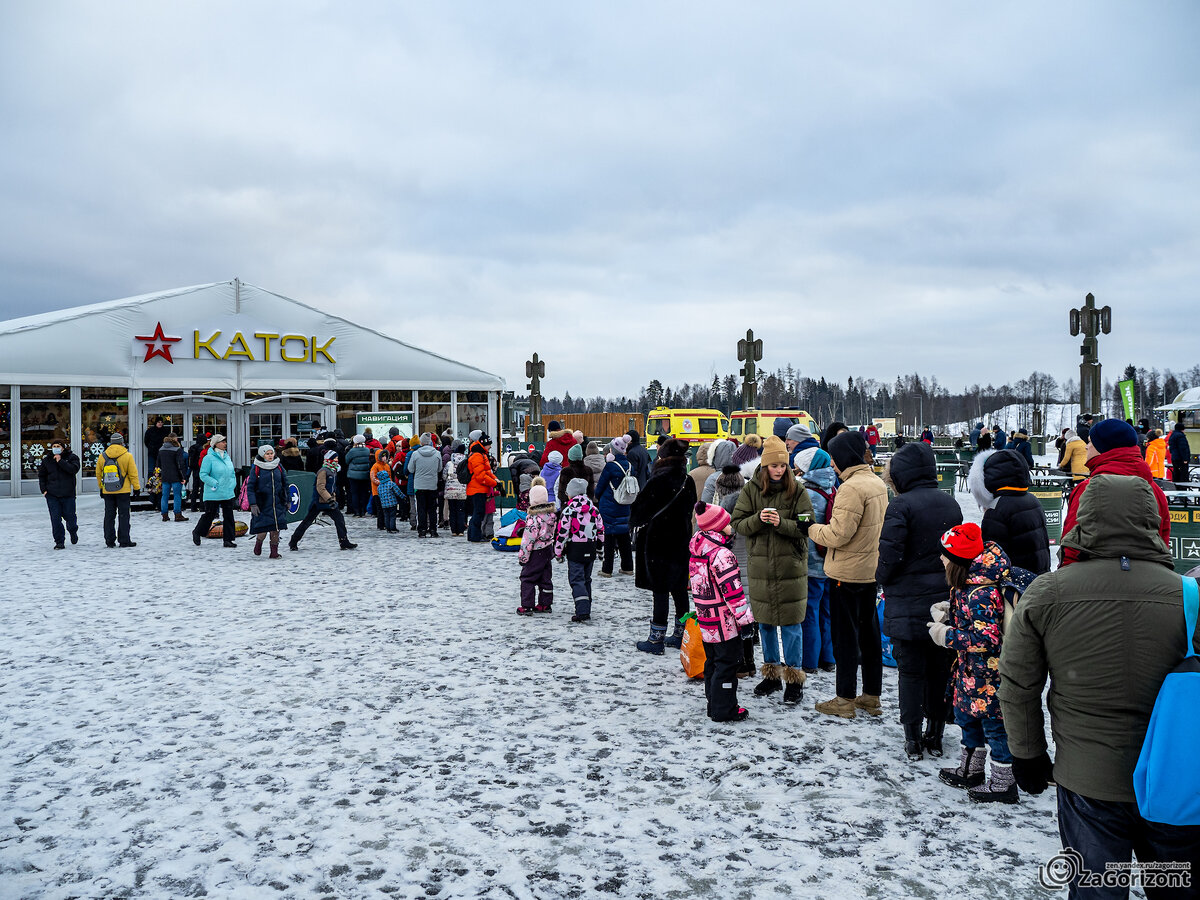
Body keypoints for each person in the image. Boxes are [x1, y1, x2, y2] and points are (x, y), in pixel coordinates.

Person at [1000, 475, 1200, 888]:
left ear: (1084, 519)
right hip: (1174, 779)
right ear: (1152, 520)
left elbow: (1018, 686)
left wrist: (1028, 755)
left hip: (1086, 781)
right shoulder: (1190, 596)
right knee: (1176, 887)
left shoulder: (1047, 594)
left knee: (1095, 888)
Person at [876, 442, 963, 760]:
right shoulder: (950, 504)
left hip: (907, 602)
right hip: (942, 601)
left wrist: (881, 577)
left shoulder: (900, 506)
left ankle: (912, 739)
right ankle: (935, 735)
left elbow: (890, 555)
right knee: (940, 670)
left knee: (910, 672)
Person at [928, 524, 1018, 803]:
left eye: (945, 555)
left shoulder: (981, 592)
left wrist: (947, 635)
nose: (940, 559)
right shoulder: (968, 583)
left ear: (957, 560)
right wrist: (950, 612)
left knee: (994, 727)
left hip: (988, 674)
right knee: (968, 719)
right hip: (970, 672)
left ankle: (1004, 783)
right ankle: (972, 770)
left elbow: (987, 638)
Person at [809, 430, 888, 720]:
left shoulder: (851, 488)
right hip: (869, 571)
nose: (832, 464)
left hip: (846, 573)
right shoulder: (875, 482)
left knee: (845, 638)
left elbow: (838, 534)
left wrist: (812, 528)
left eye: (834, 458)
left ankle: (844, 698)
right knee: (869, 636)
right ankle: (871, 696)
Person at [731, 435, 814, 705]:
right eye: (774, 465)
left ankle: (793, 678)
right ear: (765, 466)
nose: (778, 470)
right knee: (765, 624)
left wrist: (782, 523)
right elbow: (738, 524)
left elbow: (807, 527)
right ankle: (771, 674)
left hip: (791, 567)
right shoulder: (751, 489)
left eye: (782, 465)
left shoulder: (798, 490)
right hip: (761, 568)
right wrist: (758, 519)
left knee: (791, 626)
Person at [1059, 419, 1170, 571]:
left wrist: (1066, 578)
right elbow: (1162, 540)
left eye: (1090, 442)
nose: (1086, 446)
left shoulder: (1088, 489)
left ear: (1103, 447)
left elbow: (1071, 544)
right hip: (1147, 580)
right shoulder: (1154, 490)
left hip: (1093, 581)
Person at [631, 438, 697, 654]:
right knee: (679, 589)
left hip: (657, 542)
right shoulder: (688, 481)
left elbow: (638, 512)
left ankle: (656, 639)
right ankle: (681, 634)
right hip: (681, 541)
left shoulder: (657, 480)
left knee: (659, 589)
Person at [691, 500, 754, 723]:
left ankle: (713, 702)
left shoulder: (698, 549)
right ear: (717, 527)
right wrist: (745, 620)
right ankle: (724, 708)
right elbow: (733, 593)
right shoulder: (722, 555)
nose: (731, 527)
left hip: (706, 618)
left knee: (713, 663)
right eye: (727, 523)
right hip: (725, 622)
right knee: (728, 664)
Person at [968, 449, 1051, 575]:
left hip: (1015, 585)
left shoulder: (997, 508)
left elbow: (992, 560)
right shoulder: (1033, 500)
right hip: (1038, 578)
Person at [795, 448, 836, 677]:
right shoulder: (832, 487)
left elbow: (801, 528)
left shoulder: (806, 493)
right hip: (829, 561)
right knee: (826, 612)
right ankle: (828, 658)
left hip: (811, 563)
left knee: (808, 612)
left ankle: (809, 659)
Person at [556, 478, 605, 623]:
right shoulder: (594, 510)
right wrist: (600, 549)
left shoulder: (569, 511)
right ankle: (586, 606)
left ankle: (583, 611)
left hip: (575, 549)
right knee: (586, 579)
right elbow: (601, 530)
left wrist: (558, 552)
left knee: (577, 580)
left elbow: (562, 533)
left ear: (570, 494)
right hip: (590, 547)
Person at [289, 451, 356, 550]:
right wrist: (329, 499)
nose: (337, 460)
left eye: (337, 458)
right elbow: (320, 488)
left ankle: (344, 541)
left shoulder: (333, 470)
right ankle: (293, 541)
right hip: (319, 501)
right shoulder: (323, 471)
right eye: (335, 458)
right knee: (307, 522)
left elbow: (331, 488)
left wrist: (332, 499)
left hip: (328, 501)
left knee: (340, 520)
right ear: (329, 459)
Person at [595, 435, 634, 577]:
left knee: (609, 537)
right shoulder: (630, 466)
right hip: (625, 503)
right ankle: (628, 566)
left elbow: (600, 486)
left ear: (613, 450)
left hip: (609, 504)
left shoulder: (610, 466)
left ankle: (607, 569)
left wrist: (597, 496)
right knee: (624, 535)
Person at [517, 477, 556, 614]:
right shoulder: (551, 515)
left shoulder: (534, 518)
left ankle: (527, 605)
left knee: (527, 577)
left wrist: (523, 557)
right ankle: (545, 604)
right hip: (548, 549)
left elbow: (528, 539)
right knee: (545, 578)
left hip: (535, 551)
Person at [191, 433, 238, 548]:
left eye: (225, 441)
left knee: (229, 516)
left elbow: (231, 473)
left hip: (227, 491)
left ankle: (228, 540)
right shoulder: (208, 458)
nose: (225, 444)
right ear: (215, 444)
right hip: (213, 492)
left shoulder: (227, 457)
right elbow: (203, 474)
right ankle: (197, 532)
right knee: (210, 514)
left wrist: (233, 484)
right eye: (222, 441)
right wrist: (214, 483)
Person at [95, 432, 140, 548]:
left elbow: (99, 474)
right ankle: (124, 540)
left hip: (108, 490)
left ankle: (109, 540)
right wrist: (136, 488)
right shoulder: (127, 456)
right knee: (124, 515)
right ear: (122, 442)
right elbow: (133, 474)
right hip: (123, 490)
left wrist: (101, 487)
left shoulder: (102, 456)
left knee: (109, 516)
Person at [246, 444, 289, 558]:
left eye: (271, 453)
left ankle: (274, 552)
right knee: (263, 529)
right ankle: (259, 543)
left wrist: (288, 500)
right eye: (267, 454)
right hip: (262, 503)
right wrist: (253, 504)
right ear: (262, 455)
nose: (270, 456)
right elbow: (250, 487)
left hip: (277, 502)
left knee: (276, 528)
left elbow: (286, 484)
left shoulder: (278, 466)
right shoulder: (256, 468)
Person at [38, 438, 80, 549]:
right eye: (54, 446)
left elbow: (73, 469)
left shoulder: (72, 458)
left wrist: (60, 461)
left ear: (63, 448)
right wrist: (44, 490)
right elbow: (42, 475)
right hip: (52, 495)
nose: (56, 448)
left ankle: (73, 531)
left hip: (68, 494)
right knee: (55, 519)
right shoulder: (47, 460)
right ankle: (59, 541)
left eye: (58, 446)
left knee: (70, 517)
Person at [407, 433, 443, 538]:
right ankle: (433, 530)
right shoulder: (437, 454)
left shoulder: (415, 454)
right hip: (432, 485)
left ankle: (422, 530)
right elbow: (439, 469)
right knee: (432, 509)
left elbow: (410, 469)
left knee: (421, 509)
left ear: (421, 442)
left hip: (419, 485)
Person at [466, 434, 498, 542]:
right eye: (489, 445)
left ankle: (473, 535)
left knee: (478, 512)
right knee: (478, 513)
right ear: (484, 444)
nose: (490, 447)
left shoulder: (481, 454)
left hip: (479, 488)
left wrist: (496, 481)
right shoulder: (477, 455)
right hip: (477, 489)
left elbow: (487, 472)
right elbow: (480, 476)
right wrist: (494, 483)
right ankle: (475, 536)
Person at [156, 433, 189, 522]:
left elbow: (158, 464)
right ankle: (177, 514)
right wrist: (183, 477)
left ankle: (164, 515)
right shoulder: (177, 450)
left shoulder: (161, 450)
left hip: (165, 476)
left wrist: (158, 474)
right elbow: (180, 464)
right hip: (176, 476)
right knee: (177, 495)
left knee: (165, 496)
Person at [443, 441, 468, 536]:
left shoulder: (449, 463)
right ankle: (461, 530)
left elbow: (444, 476)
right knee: (461, 510)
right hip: (462, 489)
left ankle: (453, 530)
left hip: (450, 490)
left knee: (452, 510)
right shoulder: (466, 462)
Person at [345, 434, 372, 517]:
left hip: (353, 475)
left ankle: (356, 511)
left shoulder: (352, 451)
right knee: (363, 493)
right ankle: (363, 510)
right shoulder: (367, 450)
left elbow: (346, 460)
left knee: (355, 493)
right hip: (365, 474)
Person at [375, 464, 403, 533]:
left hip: (384, 504)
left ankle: (388, 527)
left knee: (386, 516)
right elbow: (397, 492)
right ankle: (392, 527)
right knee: (392, 516)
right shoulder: (391, 483)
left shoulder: (379, 487)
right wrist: (403, 497)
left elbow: (379, 495)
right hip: (392, 503)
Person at [369, 449, 391, 531]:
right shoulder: (375, 466)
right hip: (377, 491)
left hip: (386, 491)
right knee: (380, 509)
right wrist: (383, 483)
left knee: (385, 508)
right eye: (383, 456)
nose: (384, 458)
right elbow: (373, 478)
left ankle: (385, 523)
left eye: (385, 456)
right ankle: (380, 524)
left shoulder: (387, 466)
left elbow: (390, 477)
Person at [1169, 420, 1191, 486]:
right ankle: (1183, 491)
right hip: (1181, 459)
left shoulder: (1172, 435)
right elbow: (1183, 448)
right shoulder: (1180, 436)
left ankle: (1176, 489)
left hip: (1175, 458)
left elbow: (1171, 448)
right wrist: (1185, 459)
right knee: (1183, 476)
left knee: (1176, 474)